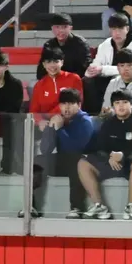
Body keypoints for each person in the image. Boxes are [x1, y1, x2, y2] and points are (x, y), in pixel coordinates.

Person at [77, 90, 132, 221]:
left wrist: (123, 155)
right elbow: (99, 146)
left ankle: (131, 207)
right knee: (83, 163)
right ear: (113, 106)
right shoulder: (108, 123)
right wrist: (110, 156)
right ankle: (99, 206)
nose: (121, 106)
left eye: (125, 102)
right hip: (112, 164)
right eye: (117, 103)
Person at [30, 87, 95, 219]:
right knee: (38, 161)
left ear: (79, 105)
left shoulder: (85, 122)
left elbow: (77, 148)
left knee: (76, 161)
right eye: (63, 104)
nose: (66, 108)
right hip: (63, 161)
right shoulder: (59, 120)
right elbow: (45, 149)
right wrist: (50, 129)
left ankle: (76, 207)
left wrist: (59, 130)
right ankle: (31, 206)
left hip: (85, 162)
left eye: (71, 104)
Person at [83, 13, 132, 115]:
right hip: (111, 80)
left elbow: (130, 69)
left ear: (127, 29)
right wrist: (92, 70)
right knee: (87, 81)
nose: (117, 33)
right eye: (113, 29)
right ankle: (94, 114)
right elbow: (96, 64)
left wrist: (102, 69)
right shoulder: (105, 44)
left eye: (120, 29)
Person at [35, 13, 92, 81]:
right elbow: (41, 71)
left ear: (70, 28)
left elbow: (86, 68)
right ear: (52, 29)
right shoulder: (49, 45)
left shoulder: (80, 43)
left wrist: (67, 78)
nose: (61, 30)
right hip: (54, 79)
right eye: (57, 27)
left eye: (64, 27)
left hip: (75, 80)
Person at [101, 48, 132, 116]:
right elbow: (106, 105)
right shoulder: (113, 83)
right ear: (117, 67)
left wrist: (115, 112)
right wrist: (107, 111)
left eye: (129, 65)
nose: (126, 69)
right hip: (114, 120)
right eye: (122, 65)